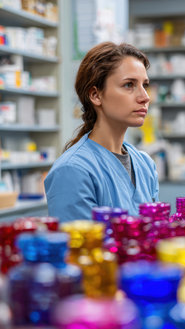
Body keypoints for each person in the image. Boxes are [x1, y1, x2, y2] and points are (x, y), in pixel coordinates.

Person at [44, 41, 159, 223]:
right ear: (95, 95)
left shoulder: (145, 165)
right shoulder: (73, 170)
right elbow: (80, 248)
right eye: (129, 85)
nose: (145, 97)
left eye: (145, 85)